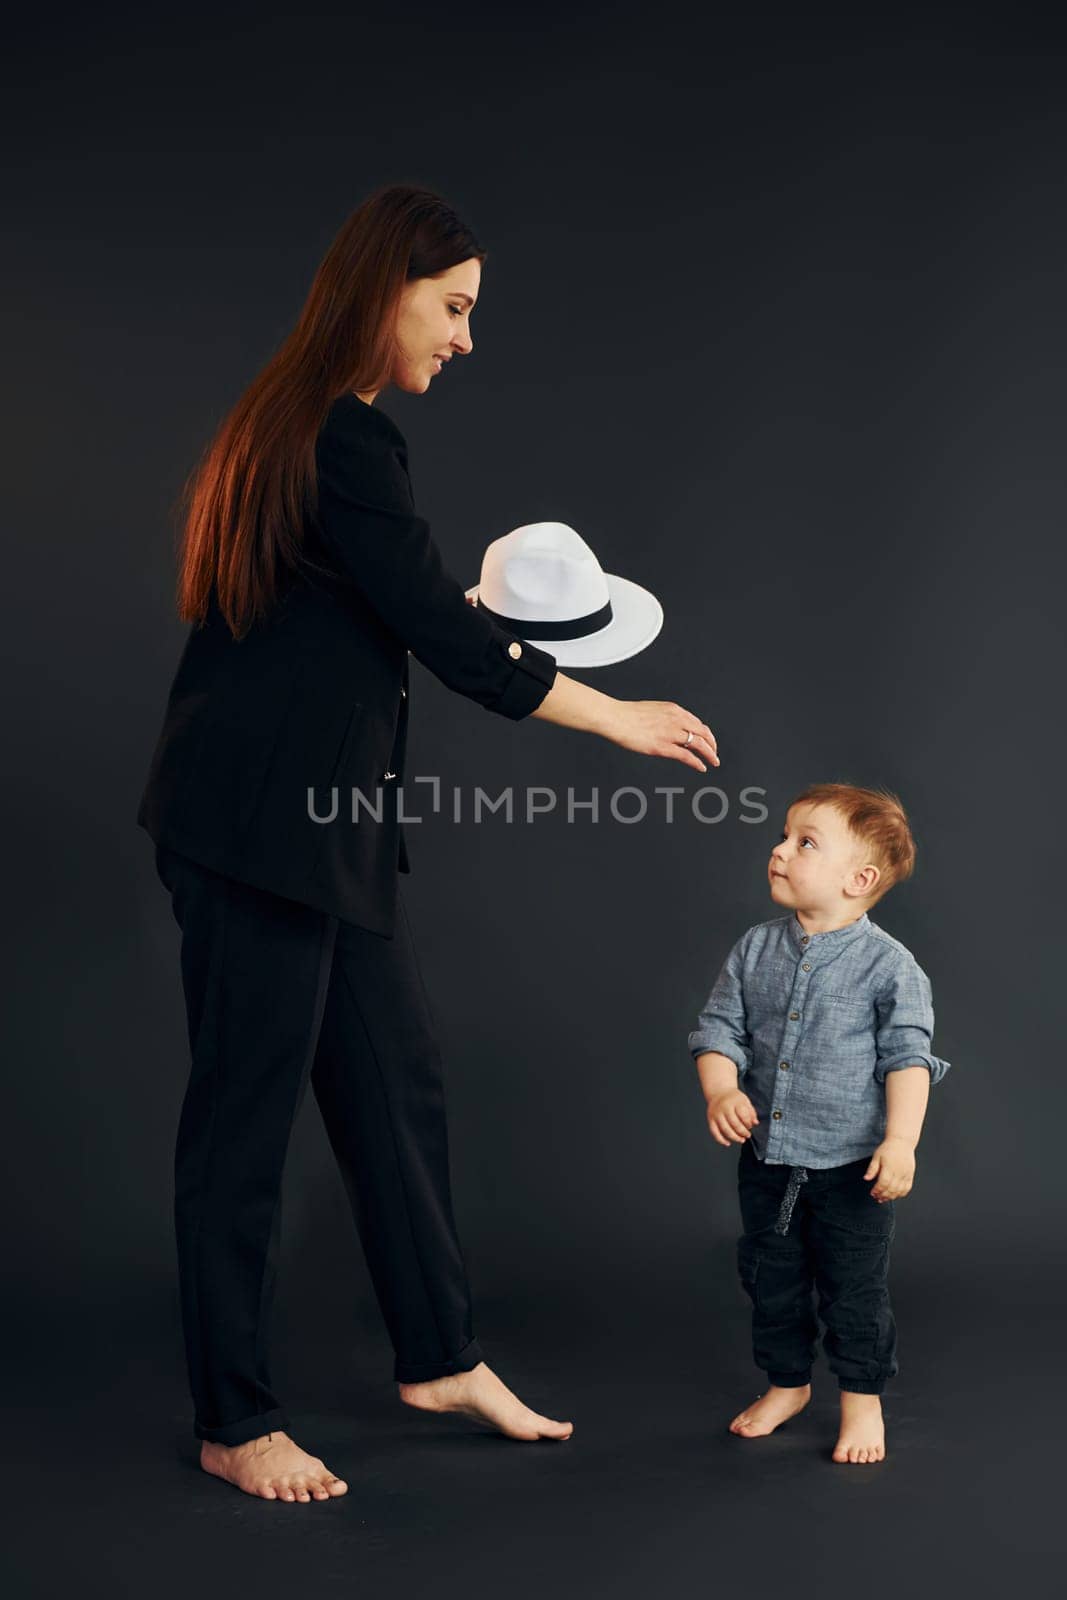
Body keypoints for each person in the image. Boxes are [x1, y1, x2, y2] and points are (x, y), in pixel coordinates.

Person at [137, 183, 720, 1503]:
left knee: (394, 1084)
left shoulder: (320, 432)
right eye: (451, 307)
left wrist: (453, 615)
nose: (464, 337)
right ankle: (233, 1421)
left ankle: (436, 1354)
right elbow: (445, 642)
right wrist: (613, 718)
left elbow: (369, 613)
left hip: (318, 834)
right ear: (382, 289)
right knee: (239, 1130)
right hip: (253, 838)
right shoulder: (342, 436)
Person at [687, 783, 951, 1465]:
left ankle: (862, 1402)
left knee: (853, 1291)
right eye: (781, 836)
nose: (778, 850)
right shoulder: (755, 948)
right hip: (768, 1159)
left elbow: (907, 1060)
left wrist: (900, 1142)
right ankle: (787, 1384)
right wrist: (721, 1091)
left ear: (859, 879)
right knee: (769, 1279)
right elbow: (718, 1029)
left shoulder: (889, 967)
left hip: (850, 1171)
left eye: (804, 842)